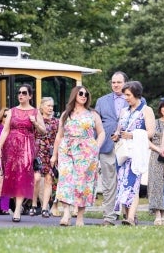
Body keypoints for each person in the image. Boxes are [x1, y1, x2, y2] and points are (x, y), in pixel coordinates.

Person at [51, 86, 105, 226]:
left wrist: (95, 147)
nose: (84, 96)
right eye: (81, 93)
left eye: (86, 94)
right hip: (66, 149)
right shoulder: (66, 114)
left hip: (86, 152)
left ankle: (80, 218)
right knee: (65, 180)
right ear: (74, 95)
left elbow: (101, 133)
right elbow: (59, 136)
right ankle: (66, 213)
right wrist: (54, 155)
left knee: (82, 184)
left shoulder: (92, 114)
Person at [0, 84, 46, 222]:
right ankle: (16, 205)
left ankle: (17, 209)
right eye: (19, 93)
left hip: (27, 147)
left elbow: (43, 131)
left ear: (30, 96)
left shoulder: (35, 112)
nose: (21, 95)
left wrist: (35, 123)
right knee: (12, 177)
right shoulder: (12, 111)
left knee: (22, 176)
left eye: (24, 93)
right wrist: (0, 147)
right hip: (11, 148)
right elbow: (5, 130)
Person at [111, 81, 155, 226]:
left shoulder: (146, 110)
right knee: (123, 183)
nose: (126, 98)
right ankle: (127, 214)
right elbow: (119, 128)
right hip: (123, 152)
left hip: (136, 152)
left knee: (133, 183)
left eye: (128, 95)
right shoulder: (124, 111)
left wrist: (133, 135)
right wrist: (117, 135)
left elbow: (151, 132)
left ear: (136, 94)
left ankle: (130, 217)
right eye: (124, 95)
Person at [95, 71, 129, 226]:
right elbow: (96, 125)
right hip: (107, 146)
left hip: (127, 146)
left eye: (119, 82)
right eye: (113, 82)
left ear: (125, 83)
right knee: (109, 183)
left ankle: (128, 215)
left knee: (127, 180)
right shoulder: (102, 101)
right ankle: (108, 217)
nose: (115, 85)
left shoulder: (135, 99)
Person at [29, 97, 59, 218]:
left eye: (52, 106)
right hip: (37, 150)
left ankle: (45, 208)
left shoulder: (56, 122)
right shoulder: (35, 120)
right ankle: (34, 204)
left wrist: (56, 154)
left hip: (50, 152)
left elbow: (58, 138)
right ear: (41, 107)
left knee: (48, 179)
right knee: (36, 178)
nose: (51, 108)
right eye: (48, 106)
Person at [148, 98, 164, 225]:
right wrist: (158, 149)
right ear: (160, 108)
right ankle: (158, 214)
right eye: (163, 106)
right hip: (156, 155)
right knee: (156, 184)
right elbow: (146, 140)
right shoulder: (154, 123)